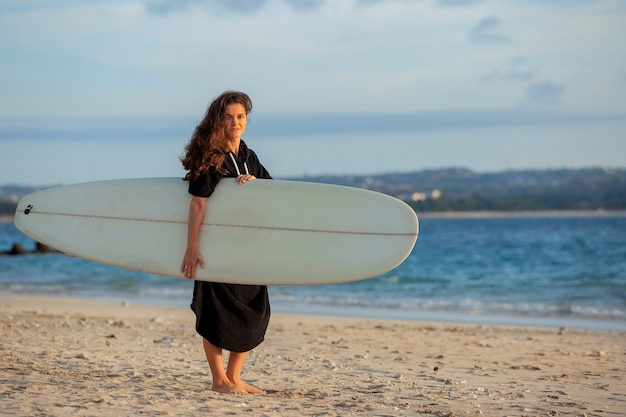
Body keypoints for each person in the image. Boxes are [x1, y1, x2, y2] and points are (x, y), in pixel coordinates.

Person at [180, 91, 272, 395]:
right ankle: (219, 380)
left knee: (253, 310)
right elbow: (197, 205)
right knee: (216, 313)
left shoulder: (247, 155)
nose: (236, 122)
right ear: (219, 119)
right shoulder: (212, 156)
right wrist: (192, 247)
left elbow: (274, 191)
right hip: (215, 246)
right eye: (229, 117)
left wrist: (254, 183)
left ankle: (235, 377)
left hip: (247, 247)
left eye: (241, 116)